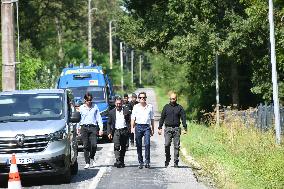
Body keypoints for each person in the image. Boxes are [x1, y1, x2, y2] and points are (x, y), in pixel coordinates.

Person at [158, 92, 187, 167]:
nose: (172, 100)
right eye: (171, 99)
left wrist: (185, 127)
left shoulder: (180, 108)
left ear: (176, 99)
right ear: (169, 99)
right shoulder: (166, 107)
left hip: (177, 129)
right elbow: (162, 118)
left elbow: (183, 117)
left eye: (173, 99)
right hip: (168, 129)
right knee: (167, 144)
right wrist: (160, 128)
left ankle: (176, 162)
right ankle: (168, 158)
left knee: (176, 146)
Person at [79, 93, 103, 169]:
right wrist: (77, 128)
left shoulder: (95, 107)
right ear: (85, 100)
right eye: (88, 100)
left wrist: (101, 129)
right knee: (85, 146)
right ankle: (87, 162)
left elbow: (99, 118)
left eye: (90, 100)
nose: (89, 102)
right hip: (84, 127)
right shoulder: (81, 108)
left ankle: (92, 157)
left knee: (94, 145)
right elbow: (79, 119)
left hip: (93, 127)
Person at [131, 92, 154, 169]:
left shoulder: (150, 107)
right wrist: (132, 128)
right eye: (141, 98)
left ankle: (147, 161)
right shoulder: (136, 107)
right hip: (138, 126)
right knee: (139, 145)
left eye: (144, 97)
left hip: (147, 127)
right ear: (139, 98)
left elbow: (152, 119)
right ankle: (140, 162)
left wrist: (152, 129)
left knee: (147, 144)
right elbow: (133, 118)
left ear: (146, 98)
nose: (142, 99)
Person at [107, 97, 130, 168]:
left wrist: (130, 129)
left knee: (123, 147)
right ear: (115, 103)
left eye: (120, 103)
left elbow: (129, 120)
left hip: (124, 130)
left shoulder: (126, 111)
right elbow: (109, 123)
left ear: (122, 103)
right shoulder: (111, 112)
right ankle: (118, 161)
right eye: (117, 103)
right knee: (116, 145)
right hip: (116, 131)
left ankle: (121, 161)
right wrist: (109, 132)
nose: (118, 105)